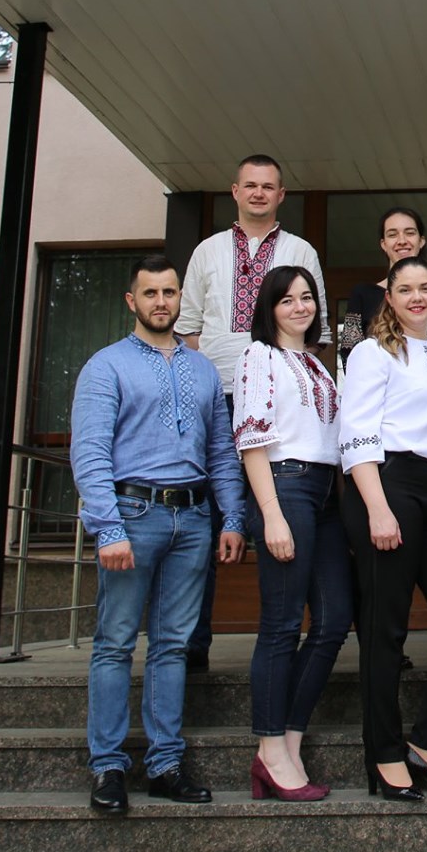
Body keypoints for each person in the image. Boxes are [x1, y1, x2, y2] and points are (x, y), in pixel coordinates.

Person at [70, 254, 245, 816]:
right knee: (115, 643)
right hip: (132, 515)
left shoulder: (203, 370)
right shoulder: (106, 366)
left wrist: (232, 517)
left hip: (193, 520)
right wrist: (108, 527)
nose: (161, 302)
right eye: (151, 293)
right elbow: (90, 453)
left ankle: (165, 763)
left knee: (173, 645)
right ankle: (108, 766)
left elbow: (221, 451)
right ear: (133, 301)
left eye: (170, 292)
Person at [175, 153, 328, 672]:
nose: (260, 193)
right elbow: (189, 327)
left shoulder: (302, 251)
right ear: (235, 191)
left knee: (284, 518)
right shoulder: (207, 250)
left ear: (282, 195)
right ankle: (193, 644)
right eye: (251, 185)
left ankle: (304, 635)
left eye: (269, 186)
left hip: (283, 409)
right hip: (219, 398)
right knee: (210, 519)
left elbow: (317, 328)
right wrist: (211, 380)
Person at [338, 254, 427, 802]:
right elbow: (357, 433)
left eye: (426, 288)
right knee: (385, 628)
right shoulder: (372, 351)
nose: (417, 297)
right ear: (390, 298)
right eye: (406, 289)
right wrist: (376, 508)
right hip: (387, 485)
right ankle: (384, 753)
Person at [233, 265, 348, 802]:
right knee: (281, 625)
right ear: (270, 308)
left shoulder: (319, 364)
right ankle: (269, 747)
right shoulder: (260, 356)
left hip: (325, 494)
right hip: (285, 486)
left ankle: (290, 740)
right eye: (287, 299)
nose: (300, 307)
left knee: (333, 621)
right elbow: (251, 441)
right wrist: (271, 514)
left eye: (307, 298)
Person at [338, 206, 427, 363]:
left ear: (421, 241)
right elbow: (350, 352)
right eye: (392, 235)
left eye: (410, 233)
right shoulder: (363, 294)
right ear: (383, 244)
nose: (402, 241)